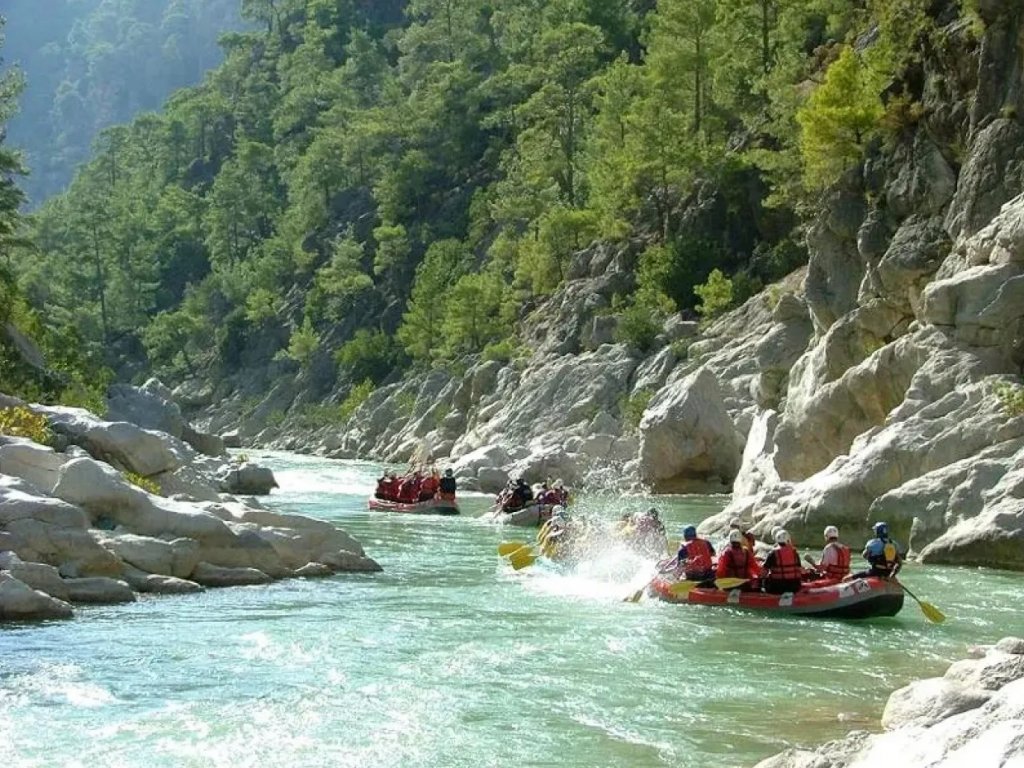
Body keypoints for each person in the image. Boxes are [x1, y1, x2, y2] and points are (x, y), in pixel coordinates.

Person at [761, 529, 802, 594]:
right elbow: (799, 569)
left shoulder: (773, 553)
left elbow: (764, 572)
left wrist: (760, 580)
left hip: (777, 587)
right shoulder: (795, 552)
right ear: (788, 540)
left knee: (764, 581)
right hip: (795, 586)